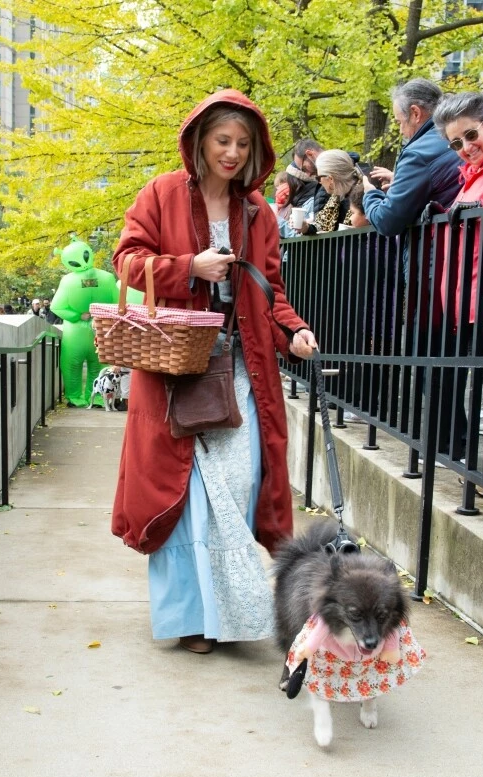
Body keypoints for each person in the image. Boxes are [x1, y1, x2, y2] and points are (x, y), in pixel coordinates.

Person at [111, 89, 318, 654]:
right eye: (222, 140)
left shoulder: (259, 212)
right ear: (199, 141)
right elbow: (126, 262)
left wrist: (293, 332)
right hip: (176, 371)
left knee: (237, 485)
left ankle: (228, 615)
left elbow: (268, 291)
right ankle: (191, 620)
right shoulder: (161, 193)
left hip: (242, 372)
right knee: (186, 496)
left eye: (243, 143)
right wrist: (188, 267)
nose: (232, 152)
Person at [423, 92, 483, 464]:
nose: (465, 147)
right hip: (463, 299)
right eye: (456, 143)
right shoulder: (469, 176)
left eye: (471, 135)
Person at [361, 79, 463, 243]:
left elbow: (386, 221)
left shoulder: (417, 154)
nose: (401, 130)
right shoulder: (457, 135)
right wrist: (401, 180)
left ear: (415, 113)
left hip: (434, 252)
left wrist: (370, 194)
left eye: (399, 122)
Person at [299, 150, 360, 235]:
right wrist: (305, 227)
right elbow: (321, 225)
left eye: (319, 178)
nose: (319, 182)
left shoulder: (363, 196)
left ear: (330, 179)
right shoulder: (336, 197)